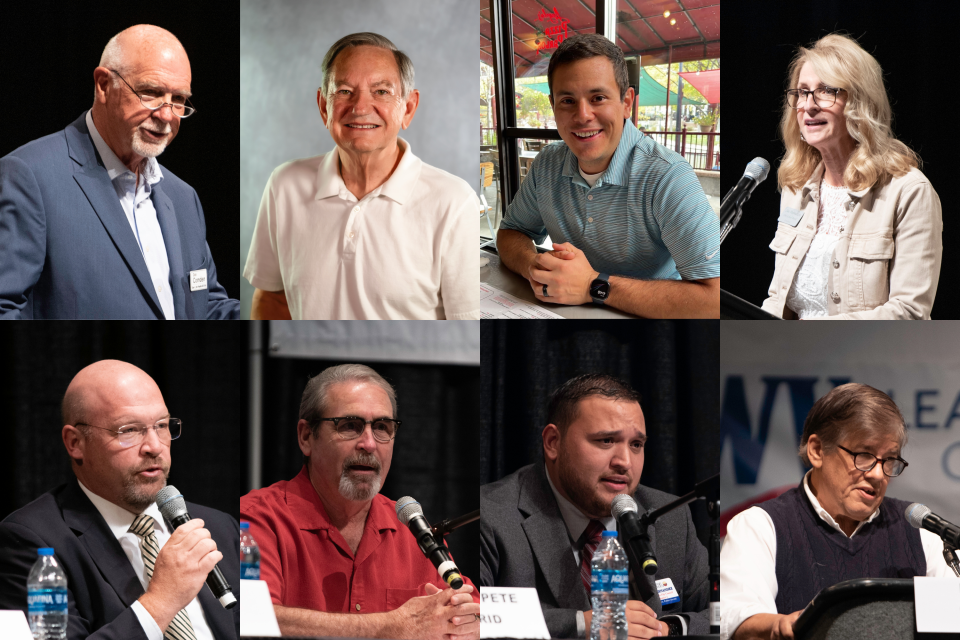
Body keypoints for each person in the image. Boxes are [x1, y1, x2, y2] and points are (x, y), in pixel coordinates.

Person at [0, 25, 239, 320]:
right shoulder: (29, 177)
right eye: (151, 93)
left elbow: (207, 305)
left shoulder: (183, 197)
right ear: (103, 85)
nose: (166, 115)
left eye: (178, 99)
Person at [244, 32, 479, 320]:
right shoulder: (284, 185)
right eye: (344, 91)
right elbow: (273, 299)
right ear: (323, 107)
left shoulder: (454, 201)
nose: (360, 108)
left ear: (408, 108)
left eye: (381, 91)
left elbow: (468, 325)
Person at [0, 360, 239, 639]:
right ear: (75, 443)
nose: (154, 447)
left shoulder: (219, 527)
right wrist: (161, 601)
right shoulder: (32, 541)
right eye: (129, 430)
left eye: (161, 425)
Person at [240, 364, 480, 639]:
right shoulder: (255, 518)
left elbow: (473, 613)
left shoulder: (414, 530)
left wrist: (470, 624)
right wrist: (392, 626)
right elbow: (250, 618)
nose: (369, 443)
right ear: (306, 437)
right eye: (350, 426)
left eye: (382, 427)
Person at [496, 34, 720, 319]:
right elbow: (510, 232)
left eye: (598, 98)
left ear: (627, 102)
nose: (583, 115)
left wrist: (593, 285)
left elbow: (714, 299)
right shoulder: (547, 164)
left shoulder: (668, 176)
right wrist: (534, 267)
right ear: (553, 106)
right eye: (567, 100)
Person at [720, 383, 958, 640]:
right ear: (818, 451)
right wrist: (780, 626)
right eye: (864, 455)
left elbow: (952, 621)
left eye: (889, 460)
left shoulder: (922, 534)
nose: (878, 474)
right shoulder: (761, 526)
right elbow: (738, 619)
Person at [480, 374, 710, 638]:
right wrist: (583, 624)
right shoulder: (492, 515)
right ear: (553, 443)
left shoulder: (669, 515)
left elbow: (725, 610)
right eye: (606, 441)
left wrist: (667, 628)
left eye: (636, 444)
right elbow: (475, 616)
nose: (624, 461)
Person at [761, 34, 942, 319]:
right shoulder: (796, 188)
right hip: (790, 359)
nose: (808, 105)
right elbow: (777, 298)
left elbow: (909, 313)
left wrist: (807, 346)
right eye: (802, 92)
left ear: (859, 102)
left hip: (862, 361)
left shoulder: (909, 191)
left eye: (825, 91)